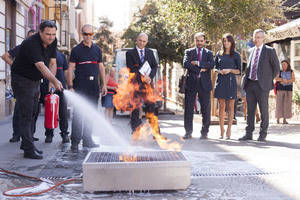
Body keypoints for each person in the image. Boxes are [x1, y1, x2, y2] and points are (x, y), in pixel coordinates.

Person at [11, 20, 63, 159]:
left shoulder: (53, 41)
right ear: (40, 32)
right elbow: (40, 65)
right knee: (26, 113)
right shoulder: (31, 44)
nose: (51, 37)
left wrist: (51, 82)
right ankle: (28, 149)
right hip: (21, 79)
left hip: (34, 80)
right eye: (48, 34)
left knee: (34, 111)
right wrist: (54, 80)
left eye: (53, 34)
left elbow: (52, 62)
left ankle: (28, 144)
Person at [67, 24, 107, 152]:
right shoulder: (76, 50)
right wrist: (70, 86)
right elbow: (71, 68)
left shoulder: (97, 50)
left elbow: (101, 68)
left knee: (91, 113)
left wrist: (104, 84)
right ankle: (75, 142)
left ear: (93, 35)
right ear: (81, 34)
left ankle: (87, 140)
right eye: (85, 34)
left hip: (94, 87)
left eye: (90, 34)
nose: (88, 36)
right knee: (78, 114)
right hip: (80, 86)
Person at [239, 29, 280, 142]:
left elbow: (276, 68)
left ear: (263, 38)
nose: (256, 39)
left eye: (259, 37)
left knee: (264, 110)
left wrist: (267, 80)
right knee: (250, 110)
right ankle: (248, 133)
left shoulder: (270, 51)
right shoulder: (250, 51)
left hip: (263, 86)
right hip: (250, 84)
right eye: (255, 37)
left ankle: (263, 134)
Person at [1, 30, 37, 143]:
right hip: (20, 83)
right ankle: (16, 134)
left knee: (33, 110)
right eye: (30, 37)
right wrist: (16, 66)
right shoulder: (21, 47)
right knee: (19, 108)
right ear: (26, 38)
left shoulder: (37, 50)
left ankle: (30, 134)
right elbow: (5, 56)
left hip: (34, 83)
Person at [126, 32, 160, 136]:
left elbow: (155, 66)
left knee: (151, 108)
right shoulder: (130, 53)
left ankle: (156, 133)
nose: (142, 43)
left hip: (147, 85)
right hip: (135, 85)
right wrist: (142, 76)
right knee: (135, 109)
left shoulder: (150, 52)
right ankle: (135, 131)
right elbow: (131, 69)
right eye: (140, 40)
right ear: (137, 40)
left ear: (147, 42)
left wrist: (150, 77)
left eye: (144, 41)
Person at [182, 32, 214, 140]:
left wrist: (198, 63)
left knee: (205, 109)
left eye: (201, 41)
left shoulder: (209, 53)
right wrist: (200, 69)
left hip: (204, 84)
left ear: (204, 41)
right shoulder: (189, 52)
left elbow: (211, 65)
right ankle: (188, 132)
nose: (199, 43)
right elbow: (186, 63)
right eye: (197, 40)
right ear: (195, 41)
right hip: (191, 83)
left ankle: (204, 132)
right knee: (189, 109)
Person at [214, 33, 241, 140]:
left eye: (228, 41)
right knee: (221, 107)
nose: (226, 43)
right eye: (224, 41)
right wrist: (219, 71)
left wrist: (229, 70)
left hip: (231, 82)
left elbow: (239, 70)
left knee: (230, 107)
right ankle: (221, 130)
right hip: (220, 81)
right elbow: (215, 67)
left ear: (231, 42)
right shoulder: (218, 54)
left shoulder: (236, 55)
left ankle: (229, 130)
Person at [40, 50, 70, 143]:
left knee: (63, 112)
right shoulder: (43, 54)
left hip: (61, 87)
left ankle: (64, 134)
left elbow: (66, 72)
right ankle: (49, 134)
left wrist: (68, 85)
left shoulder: (62, 56)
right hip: (47, 87)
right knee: (49, 111)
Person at [275, 60, 295, 124]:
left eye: (285, 64)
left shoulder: (291, 71)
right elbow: (276, 78)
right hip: (280, 89)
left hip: (288, 90)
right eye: (282, 64)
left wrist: (287, 81)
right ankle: (278, 119)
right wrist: (282, 79)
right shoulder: (279, 71)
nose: (283, 66)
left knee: (287, 105)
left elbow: (293, 79)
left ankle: (284, 119)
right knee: (279, 104)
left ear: (287, 65)